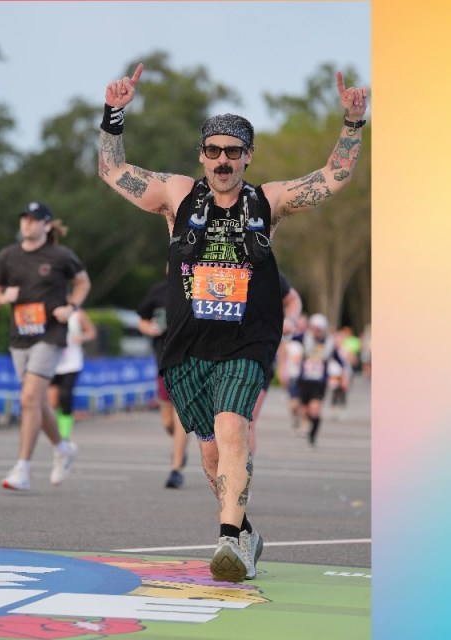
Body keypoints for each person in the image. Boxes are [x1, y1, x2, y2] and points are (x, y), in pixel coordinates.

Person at [97, 63, 367, 582]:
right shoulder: (176, 195)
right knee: (210, 454)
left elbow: (333, 178)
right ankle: (244, 533)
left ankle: (227, 543)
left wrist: (352, 124)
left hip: (248, 340)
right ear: (202, 154)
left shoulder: (268, 200)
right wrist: (114, 114)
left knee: (232, 429)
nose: (223, 161)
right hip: (186, 345)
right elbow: (113, 171)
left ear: (248, 156)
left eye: (234, 152)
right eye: (215, 151)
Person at [0, 202, 91, 491]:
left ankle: (23, 467)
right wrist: (2, 297)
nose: (27, 224)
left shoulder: (61, 256)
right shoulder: (8, 256)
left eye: (34, 220)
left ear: (47, 225)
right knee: (36, 401)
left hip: (50, 335)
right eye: (24, 218)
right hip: (20, 336)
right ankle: (62, 448)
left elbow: (83, 283)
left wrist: (71, 307)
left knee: (29, 398)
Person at [136, 273, 189, 489]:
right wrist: (148, 328)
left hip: (188, 360)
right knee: (168, 421)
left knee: (180, 418)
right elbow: (142, 319)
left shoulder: (197, 286)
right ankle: (179, 450)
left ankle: (175, 468)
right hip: (163, 360)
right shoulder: (158, 290)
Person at [247, 270, 301, 455]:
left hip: (259, 359)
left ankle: (239, 480)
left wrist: (290, 320)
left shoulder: (266, 270)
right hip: (219, 356)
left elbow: (293, 299)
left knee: (245, 422)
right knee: (218, 427)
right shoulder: (213, 264)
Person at [298, 313, 347, 446]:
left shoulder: (329, 343)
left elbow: (341, 362)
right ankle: (306, 426)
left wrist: (344, 377)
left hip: (319, 382)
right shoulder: (305, 338)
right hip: (304, 380)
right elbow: (290, 337)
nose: (316, 331)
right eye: (314, 328)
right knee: (304, 410)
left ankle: (312, 436)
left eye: (318, 329)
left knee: (315, 409)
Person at [48, 307, 97, 442]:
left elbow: (92, 332)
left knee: (65, 395)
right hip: (54, 362)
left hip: (72, 362)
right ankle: (56, 428)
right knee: (52, 400)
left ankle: (64, 433)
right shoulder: (50, 310)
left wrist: (83, 337)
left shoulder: (78, 314)